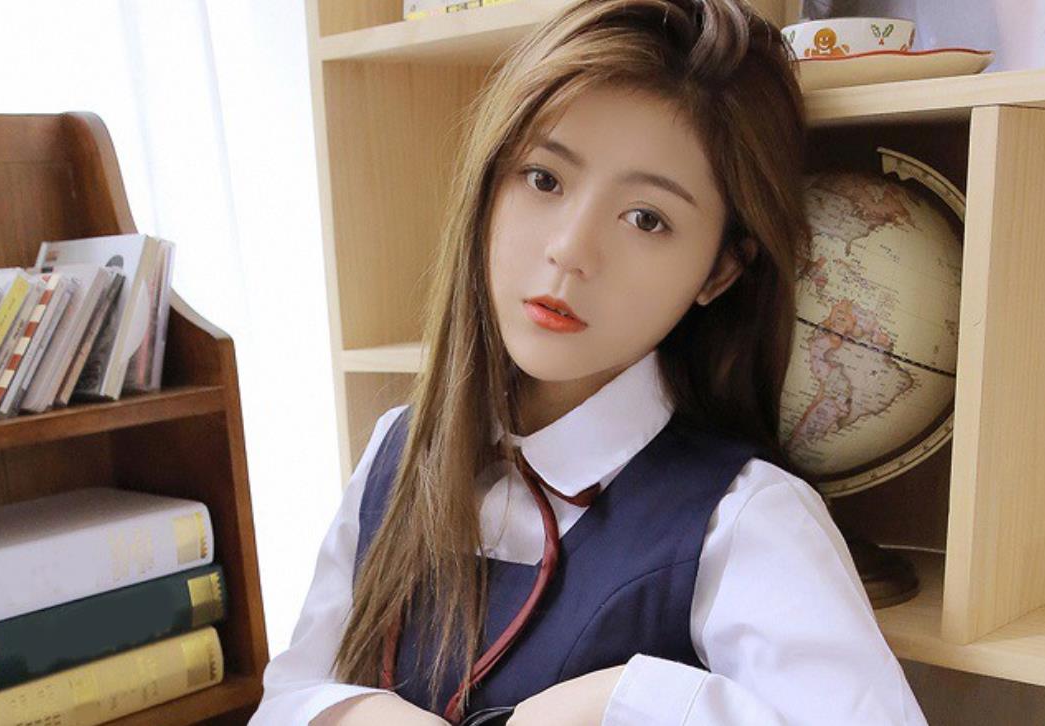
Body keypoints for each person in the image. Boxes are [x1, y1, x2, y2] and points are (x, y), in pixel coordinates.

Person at [249, 0, 929, 723]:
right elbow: (288, 695)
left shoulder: (742, 518)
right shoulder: (398, 448)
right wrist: (354, 714)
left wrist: (619, 703)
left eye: (646, 219)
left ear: (720, 270)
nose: (571, 249)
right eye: (543, 179)